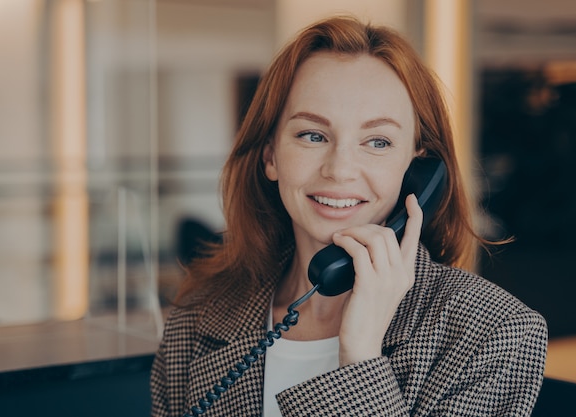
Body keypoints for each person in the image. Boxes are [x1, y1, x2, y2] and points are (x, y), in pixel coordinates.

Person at [150, 16, 548, 417]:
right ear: (270, 155)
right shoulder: (197, 316)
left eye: (378, 141)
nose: (340, 170)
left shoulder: (494, 333)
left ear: (417, 169)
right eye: (312, 135)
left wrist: (360, 356)